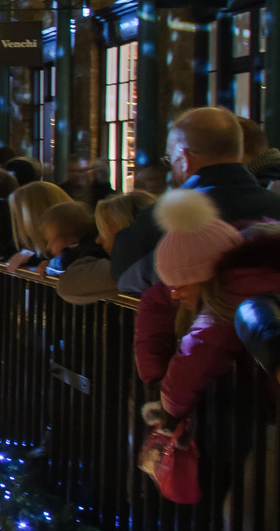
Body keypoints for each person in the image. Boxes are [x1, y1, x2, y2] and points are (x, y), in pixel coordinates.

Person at [134, 189, 280, 425]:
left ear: (203, 278)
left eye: (179, 287)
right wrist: (154, 375)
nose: (175, 296)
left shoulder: (237, 288)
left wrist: (169, 408)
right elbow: (158, 298)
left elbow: (201, 350)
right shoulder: (246, 265)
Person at [111, 107, 280, 292]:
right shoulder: (274, 204)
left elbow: (124, 274)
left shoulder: (168, 218)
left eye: (170, 159)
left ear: (184, 159)